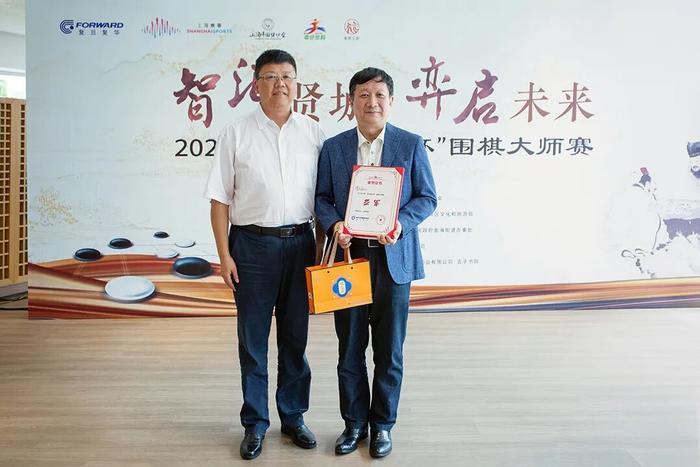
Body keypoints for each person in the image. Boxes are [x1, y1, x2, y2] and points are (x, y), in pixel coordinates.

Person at [204, 49, 325, 460]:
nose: (279, 84)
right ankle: (255, 423)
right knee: (253, 341)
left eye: (287, 76)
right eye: (270, 77)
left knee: (295, 338)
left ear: (297, 84)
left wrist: (322, 250)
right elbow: (219, 201)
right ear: (256, 85)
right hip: (251, 248)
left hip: (301, 245)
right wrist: (224, 256)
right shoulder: (236, 133)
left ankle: (293, 417)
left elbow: (323, 199)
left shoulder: (314, 133)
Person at [315, 67, 437, 458]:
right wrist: (335, 224)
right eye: (363, 95)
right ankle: (354, 424)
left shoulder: (410, 144)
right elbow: (322, 199)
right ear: (351, 101)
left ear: (391, 101)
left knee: (389, 351)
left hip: (392, 259)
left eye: (379, 95)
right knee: (349, 348)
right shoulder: (334, 147)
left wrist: (400, 223)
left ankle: (382, 425)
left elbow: (427, 198)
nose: (372, 102)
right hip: (350, 259)